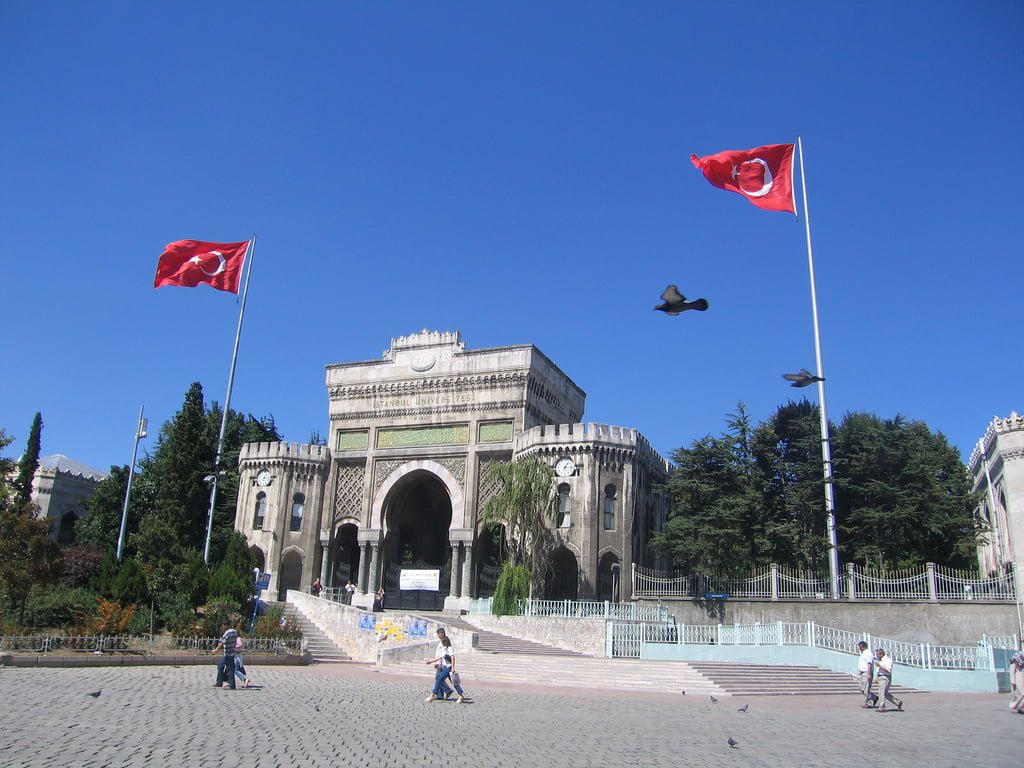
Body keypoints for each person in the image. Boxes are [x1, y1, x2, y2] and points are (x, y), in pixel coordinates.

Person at [424, 628, 460, 703]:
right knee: (451, 682)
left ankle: (433, 695)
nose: (438, 635)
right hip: (443, 666)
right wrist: (431, 661)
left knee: (439, 679)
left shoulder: (448, 647)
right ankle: (459, 695)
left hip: (447, 667)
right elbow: (440, 656)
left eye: (439, 633)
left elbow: (452, 657)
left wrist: (452, 668)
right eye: (438, 634)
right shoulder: (443, 646)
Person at [874, 648, 903, 712]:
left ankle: (882, 707)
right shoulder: (880, 660)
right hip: (880, 677)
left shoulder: (887, 660)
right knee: (885, 693)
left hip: (885, 677)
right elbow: (878, 670)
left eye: (877, 654)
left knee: (881, 692)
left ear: (881, 654)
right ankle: (897, 702)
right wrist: (876, 678)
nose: (876, 656)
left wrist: (880, 665)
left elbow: (888, 669)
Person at [211, 624, 239, 690]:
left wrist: (216, 649)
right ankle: (219, 682)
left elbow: (222, 642)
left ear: (225, 625)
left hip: (228, 654)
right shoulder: (235, 632)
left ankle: (232, 685)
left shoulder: (227, 633)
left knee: (230, 669)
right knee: (220, 666)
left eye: (223, 626)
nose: (222, 627)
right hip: (230, 652)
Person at [856, 640, 878, 708]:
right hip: (862, 673)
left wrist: (869, 673)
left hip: (866, 672)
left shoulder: (868, 653)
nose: (859, 649)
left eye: (859, 647)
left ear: (862, 647)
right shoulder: (863, 653)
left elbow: (869, 664)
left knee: (866, 689)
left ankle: (869, 703)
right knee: (861, 687)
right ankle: (874, 697)